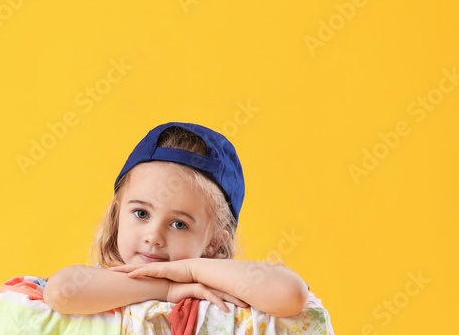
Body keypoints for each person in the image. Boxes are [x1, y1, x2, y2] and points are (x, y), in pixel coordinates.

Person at [42, 121, 310, 317]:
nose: (153, 237)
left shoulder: (222, 290)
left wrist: (191, 271)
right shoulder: (104, 285)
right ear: (117, 215)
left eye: (179, 224)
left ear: (214, 241)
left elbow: (291, 293)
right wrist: (166, 290)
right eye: (141, 213)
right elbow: (61, 291)